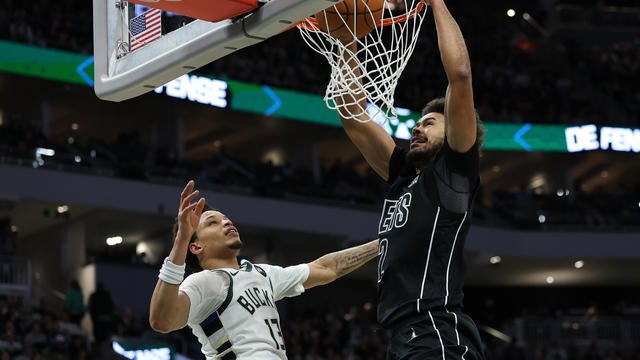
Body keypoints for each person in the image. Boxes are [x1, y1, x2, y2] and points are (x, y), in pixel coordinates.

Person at [334, 0, 486, 358]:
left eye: (430, 123)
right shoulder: (403, 175)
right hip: (403, 335)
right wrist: (347, 38)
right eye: (418, 122)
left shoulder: (453, 173)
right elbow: (350, 111)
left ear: (454, 137)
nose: (417, 127)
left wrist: (435, 3)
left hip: (435, 328)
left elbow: (460, 76)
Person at [149, 180, 379, 359]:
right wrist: (181, 239)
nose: (227, 222)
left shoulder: (263, 274)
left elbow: (326, 268)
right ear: (196, 245)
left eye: (226, 219)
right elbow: (162, 321)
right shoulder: (205, 282)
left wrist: (382, 243)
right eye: (212, 222)